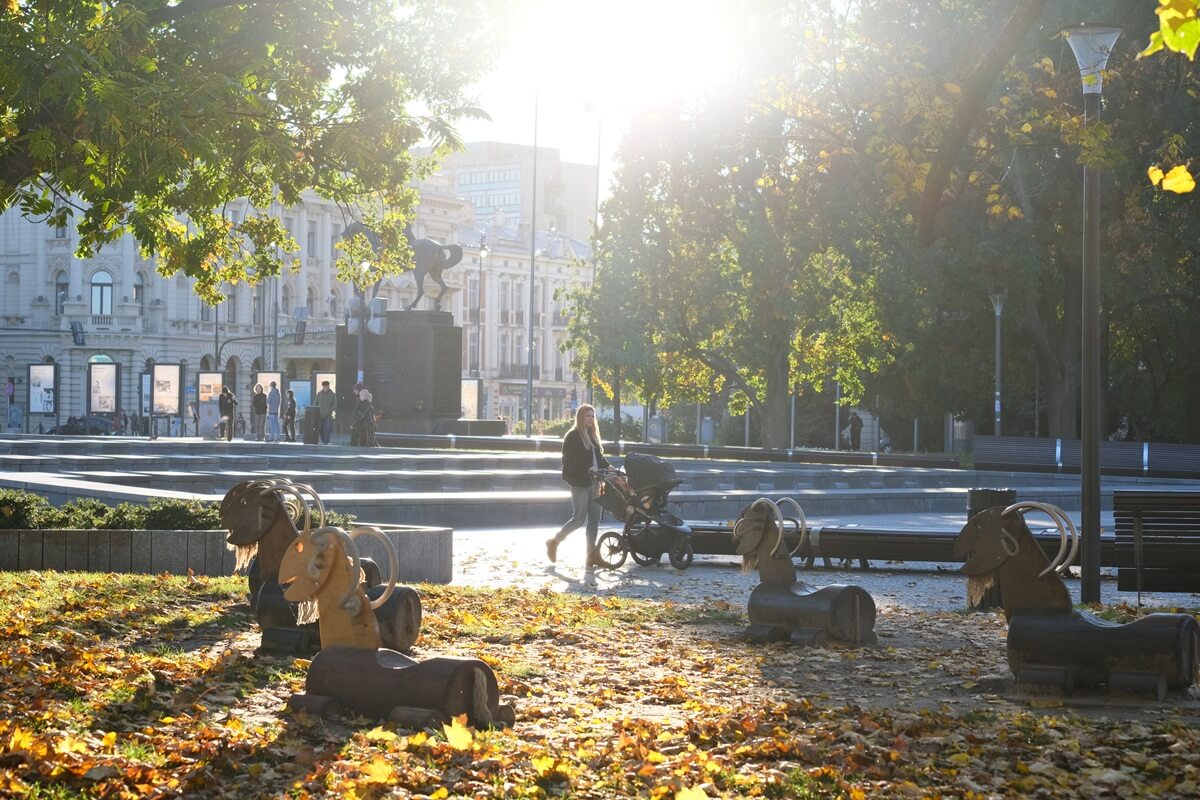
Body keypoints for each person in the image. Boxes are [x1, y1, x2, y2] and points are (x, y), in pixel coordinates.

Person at [545, 403, 609, 570]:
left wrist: (609, 467)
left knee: (594, 520)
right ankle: (554, 541)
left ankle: (591, 556)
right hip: (580, 483)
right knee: (579, 519)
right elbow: (569, 462)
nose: (590, 419)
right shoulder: (573, 436)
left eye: (592, 416)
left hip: (596, 482)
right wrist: (587, 469)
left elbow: (599, 459)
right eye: (587, 416)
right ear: (581, 418)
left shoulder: (593, 436)